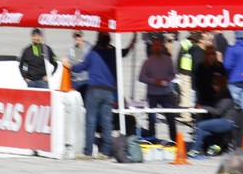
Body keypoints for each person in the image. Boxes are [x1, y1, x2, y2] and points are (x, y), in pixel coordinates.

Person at [65, 32, 124, 160]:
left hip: (94, 89)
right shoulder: (112, 54)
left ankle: (88, 152)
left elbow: (81, 68)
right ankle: (105, 152)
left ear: (98, 40)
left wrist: (69, 66)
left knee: (90, 121)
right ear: (109, 41)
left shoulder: (94, 53)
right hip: (108, 91)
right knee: (107, 123)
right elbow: (116, 71)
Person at [189, 73, 243, 156]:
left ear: (221, 84)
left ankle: (195, 150)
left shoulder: (226, 96)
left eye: (215, 84)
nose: (213, 86)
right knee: (202, 131)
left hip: (227, 121)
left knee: (200, 125)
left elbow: (218, 111)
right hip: (224, 120)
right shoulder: (219, 94)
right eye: (212, 84)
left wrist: (203, 107)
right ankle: (210, 148)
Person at [138, 37, 177, 141]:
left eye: (159, 45)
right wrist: (154, 81)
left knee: (170, 118)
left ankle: (174, 139)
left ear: (162, 47)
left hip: (166, 94)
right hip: (152, 95)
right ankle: (152, 137)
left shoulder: (168, 60)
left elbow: (173, 74)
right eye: (155, 45)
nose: (157, 47)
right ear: (152, 47)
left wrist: (167, 80)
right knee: (151, 118)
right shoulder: (147, 62)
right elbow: (141, 77)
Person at [193, 44, 226, 109]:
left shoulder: (220, 66)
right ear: (205, 55)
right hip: (204, 98)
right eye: (208, 54)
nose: (211, 56)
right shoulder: (201, 67)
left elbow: (224, 82)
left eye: (213, 53)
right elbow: (197, 83)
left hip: (217, 98)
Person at [67, 30, 92, 101]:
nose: (77, 38)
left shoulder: (89, 47)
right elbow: (69, 61)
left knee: (86, 101)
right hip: (74, 81)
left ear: (82, 36)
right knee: (75, 102)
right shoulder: (72, 49)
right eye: (75, 36)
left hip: (86, 80)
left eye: (79, 36)